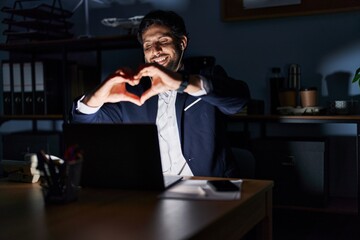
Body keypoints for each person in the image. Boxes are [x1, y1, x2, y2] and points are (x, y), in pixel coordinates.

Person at [70, 10, 250, 177]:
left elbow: (238, 100)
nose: (155, 51)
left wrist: (183, 82)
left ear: (182, 43)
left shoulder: (206, 77)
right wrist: (96, 96)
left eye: (163, 41)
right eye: (148, 45)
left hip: (206, 187)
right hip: (152, 193)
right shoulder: (132, 92)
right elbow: (83, 124)